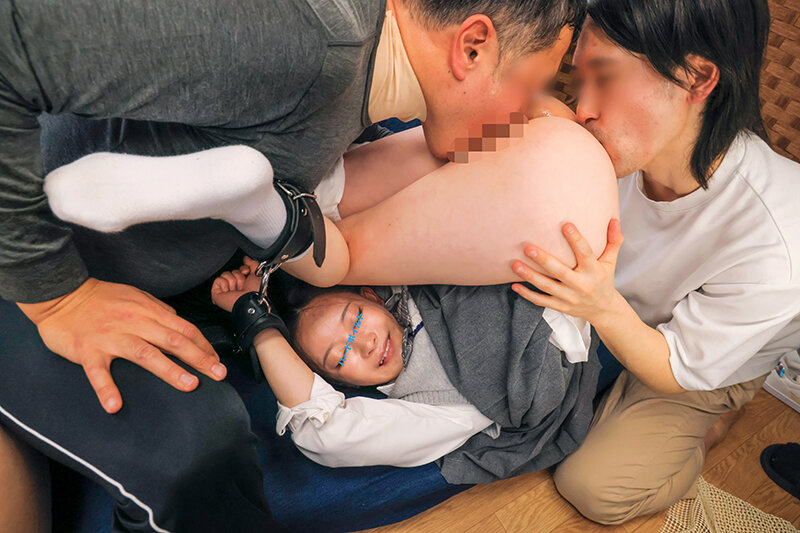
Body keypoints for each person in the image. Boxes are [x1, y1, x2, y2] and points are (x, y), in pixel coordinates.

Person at [0, 1, 587, 530]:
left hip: (196, 267)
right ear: (473, 46)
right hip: (35, 267)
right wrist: (57, 296)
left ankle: (264, 209)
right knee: (199, 461)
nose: (524, 111)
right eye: (528, 87)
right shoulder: (305, 39)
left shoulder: (366, 85)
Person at [508, 0, 800, 524]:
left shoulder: (775, 240)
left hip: (697, 362)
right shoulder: (626, 145)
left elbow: (675, 368)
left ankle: (713, 426)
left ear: (697, 78)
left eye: (606, 79)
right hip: (622, 308)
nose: (584, 108)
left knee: (593, 486)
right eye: (581, 79)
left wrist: (600, 307)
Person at [206, 256, 597, 478]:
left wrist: (276, 260)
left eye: (356, 318)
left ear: (372, 296)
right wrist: (255, 320)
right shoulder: (435, 406)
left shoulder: (404, 271)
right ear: (340, 384)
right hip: (570, 323)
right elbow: (326, 434)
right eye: (341, 358)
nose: (365, 343)